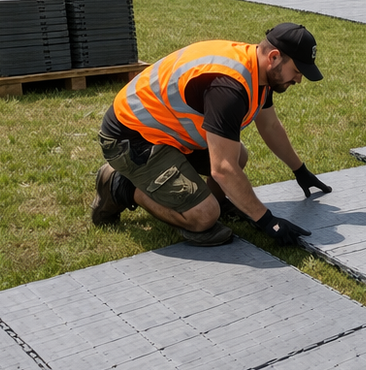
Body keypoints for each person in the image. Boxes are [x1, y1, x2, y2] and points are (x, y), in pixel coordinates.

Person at [91, 22, 333, 248]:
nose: (299, 79)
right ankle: (118, 185)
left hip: (164, 132)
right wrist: (267, 221)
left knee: (238, 156)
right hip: (131, 140)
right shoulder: (228, 88)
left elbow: (270, 127)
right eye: (297, 70)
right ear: (274, 57)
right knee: (205, 215)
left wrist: (299, 170)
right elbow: (222, 169)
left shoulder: (258, 71)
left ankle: (213, 202)